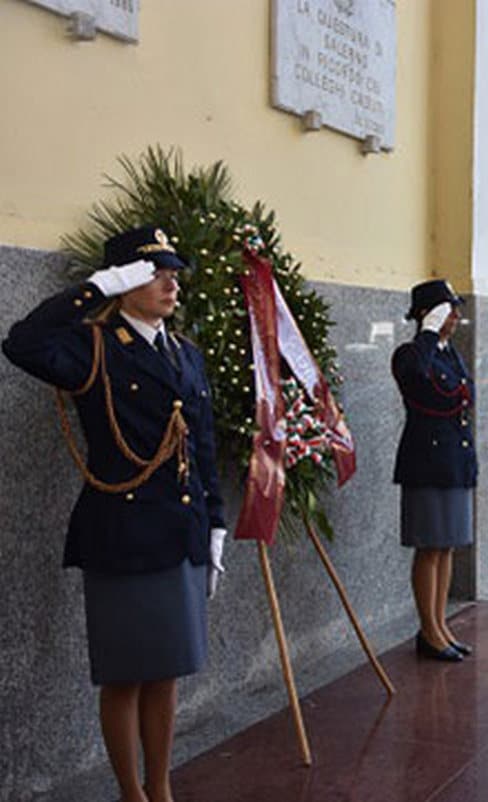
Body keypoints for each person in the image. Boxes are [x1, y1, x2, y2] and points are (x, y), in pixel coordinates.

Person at [2, 225, 226, 802]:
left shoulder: (186, 353)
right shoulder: (94, 346)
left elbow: (201, 443)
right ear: (126, 281)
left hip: (180, 530)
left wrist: (216, 521)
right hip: (123, 533)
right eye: (156, 274)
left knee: (167, 670)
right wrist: (96, 287)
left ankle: (161, 786)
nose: (172, 284)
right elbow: (22, 343)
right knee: (125, 675)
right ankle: (132, 792)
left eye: (174, 274)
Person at [392, 279, 477, 662]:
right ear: (429, 314)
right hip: (426, 463)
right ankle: (428, 631)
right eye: (448, 309)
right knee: (429, 547)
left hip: (454, 460)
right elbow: (414, 377)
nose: (456, 316)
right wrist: (427, 331)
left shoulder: (447, 353)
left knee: (446, 546)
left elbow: (464, 396)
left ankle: (440, 626)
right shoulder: (411, 354)